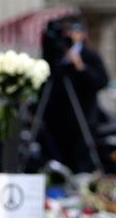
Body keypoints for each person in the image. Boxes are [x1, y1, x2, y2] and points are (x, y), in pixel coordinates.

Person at [41, 16, 109, 173]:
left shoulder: (90, 55)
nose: (69, 35)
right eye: (66, 32)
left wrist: (80, 67)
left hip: (83, 120)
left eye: (74, 31)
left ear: (83, 34)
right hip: (56, 120)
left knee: (81, 164)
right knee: (57, 163)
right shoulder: (56, 56)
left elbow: (101, 81)